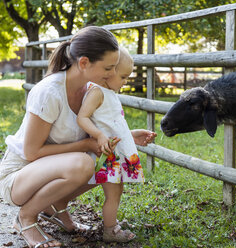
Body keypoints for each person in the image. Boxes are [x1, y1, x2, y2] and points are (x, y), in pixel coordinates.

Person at [0, 26, 156, 248]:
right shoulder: (50, 92)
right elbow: (31, 152)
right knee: (84, 161)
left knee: (106, 163)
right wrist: (85, 144)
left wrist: (129, 136)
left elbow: (92, 135)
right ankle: (25, 218)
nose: (113, 75)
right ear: (84, 63)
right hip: (17, 176)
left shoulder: (90, 91)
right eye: (108, 68)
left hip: (45, 170)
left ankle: (55, 209)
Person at [77, 47, 156, 242]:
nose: (125, 81)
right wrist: (98, 135)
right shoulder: (97, 92)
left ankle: (112, 222)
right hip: (108, 155)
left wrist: (131, 135)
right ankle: (110, 230)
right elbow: (82, 118)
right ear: (108, 73)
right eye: (123, 76)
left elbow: (112, 123)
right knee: (113, 195)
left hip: (115, 153)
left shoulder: (108, 92)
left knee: (117, 192)